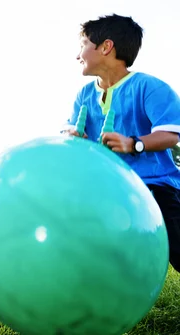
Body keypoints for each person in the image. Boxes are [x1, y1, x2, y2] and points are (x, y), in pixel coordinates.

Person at [63, 14, 180, 272]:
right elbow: (69, 129)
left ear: (106, 47)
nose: (77, 55)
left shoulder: (150, 87)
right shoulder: (84, 95)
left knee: (178, 247)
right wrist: (72, 136)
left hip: (154, 184)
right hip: (105, 187)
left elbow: (170, 134)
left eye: (82, 45)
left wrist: (133, 144)